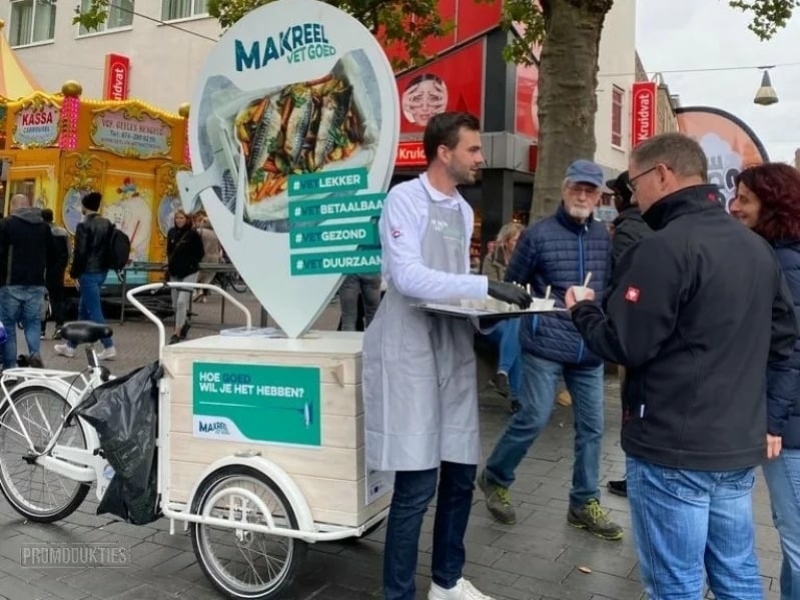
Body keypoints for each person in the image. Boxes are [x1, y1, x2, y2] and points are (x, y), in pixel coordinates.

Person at [566, 133, 798, 599]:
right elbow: (785, 343)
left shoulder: (663, 248)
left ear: (662, 174)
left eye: (633, 184)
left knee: (676, 585)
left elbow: (624, 343)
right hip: (734, 447)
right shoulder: (756, 249)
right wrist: (766, 419)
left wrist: (582, 309)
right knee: (737, 576)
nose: (633, 197)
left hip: (672, 445)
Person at [362, 111, 531, 600]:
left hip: (452, 347)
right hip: (410, 348)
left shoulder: (460, 209)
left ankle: (447, 581)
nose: (481, 158)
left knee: (459, 475)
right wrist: (484, 284)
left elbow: (453, 283)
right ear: (444, 152)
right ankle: (399, 593)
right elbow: (409, 278)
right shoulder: (403, 199)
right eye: (474, 150)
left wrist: (492, 312)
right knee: (416, 485)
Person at [479, 159, 622, 541]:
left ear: (598, 195)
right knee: (534, 416)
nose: (582, 195)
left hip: (588, 347)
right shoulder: (538, 236)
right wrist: (537, 308)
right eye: (577, 187)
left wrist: (598, 301)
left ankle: (583, 501)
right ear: (564, 189)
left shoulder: (602, 238)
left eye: (590, 190)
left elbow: (611, 286)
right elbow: (513, 284)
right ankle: (495, 477)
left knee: (593, 428)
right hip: (544, 342)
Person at [730, 163, 800, 600]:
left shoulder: (781, 263)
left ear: (771, 205)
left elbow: (789, 352)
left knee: (796, 539)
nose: (734, 206)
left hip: (788, 428)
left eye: (745, 199)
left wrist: (771, 422)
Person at [603, 171, 652, 498]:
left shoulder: (625, 231)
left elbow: (622, 283)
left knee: (631, 405)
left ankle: (634, 476)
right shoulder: (657, 222)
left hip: (634, 331)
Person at [55, 191, 117, 360]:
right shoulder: (107, 223)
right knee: (83, 309)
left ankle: (109, 346)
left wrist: (74, 273)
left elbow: (80, 253)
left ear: (84, 206)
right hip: (102, 271)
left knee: (94, 310)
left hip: (87, 272)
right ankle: (70, 346)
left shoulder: (83, 225)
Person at [0, 194, 55, 369]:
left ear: (13, 207)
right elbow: (52, 253)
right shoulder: (43, 227)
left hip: (10, 284)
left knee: (8, 326)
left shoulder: (7, 224)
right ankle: (34, 354)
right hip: (36, 283)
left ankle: (10, 366)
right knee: (32, 322)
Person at [482, 221, 524, 402]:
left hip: (514, 318)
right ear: (506, 241)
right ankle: (517, 399)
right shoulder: (491, 260)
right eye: (516, 241)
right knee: (517, 337)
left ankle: (503, 372)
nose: (520, 245)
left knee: (516, 328)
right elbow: (490, 288)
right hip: (494, 317)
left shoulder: (526, 260)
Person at [166, 210, 205, 345]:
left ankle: (176, 332)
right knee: (175, 304)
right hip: (175, 271)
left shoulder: (193, 234)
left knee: (182, 301)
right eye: (177, 218)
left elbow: (200, 252)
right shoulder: (171, 232)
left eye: (182, 218)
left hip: (189, 272)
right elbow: (169, 251)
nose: (179, 220)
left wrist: (190, 263)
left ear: (187, 219)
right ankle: (184, 323)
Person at [40, 208, 70, 340]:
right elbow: (69, 251)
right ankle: (59, 326)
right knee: (57, 299)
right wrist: (64, 265)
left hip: (44, 269)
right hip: (58, 270)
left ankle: (41, 329)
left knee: (43, 300)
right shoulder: (62, 232)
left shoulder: (41, 232)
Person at [194, 215, 222, 303]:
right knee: (208, 277)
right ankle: (203, 295)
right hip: (214, 258)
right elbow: (219, 247)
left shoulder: (200, 231)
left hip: (203, 256)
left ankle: (199, 292)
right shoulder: (216, 234)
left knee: (198, 275)